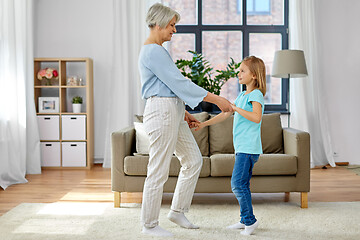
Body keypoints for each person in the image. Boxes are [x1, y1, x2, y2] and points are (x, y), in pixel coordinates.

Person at [138, 3, 233, 237]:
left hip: (171, 110)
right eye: (172, 25)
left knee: (192, 159)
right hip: (161, 112)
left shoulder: (158, 50)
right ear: (158, 24)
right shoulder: (152, 51)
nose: (174, 30)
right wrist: (216, 99)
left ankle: (177, 211)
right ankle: (149, 225)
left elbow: (170, 87)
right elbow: (180, 83)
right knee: (158, 170)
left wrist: (184, 112)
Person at [195, 56, 266, 236]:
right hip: (242, 148)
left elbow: (256, 117)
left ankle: (250, 221)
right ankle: (244, 220)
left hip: (248, 149)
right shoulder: (242, 95)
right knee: (243, 184)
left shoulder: (256, 94)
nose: (238, 73)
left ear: (254, 76)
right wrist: (203, 124)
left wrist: (236, 109)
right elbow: (227, 113)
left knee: (237, 184)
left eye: (243, 71)